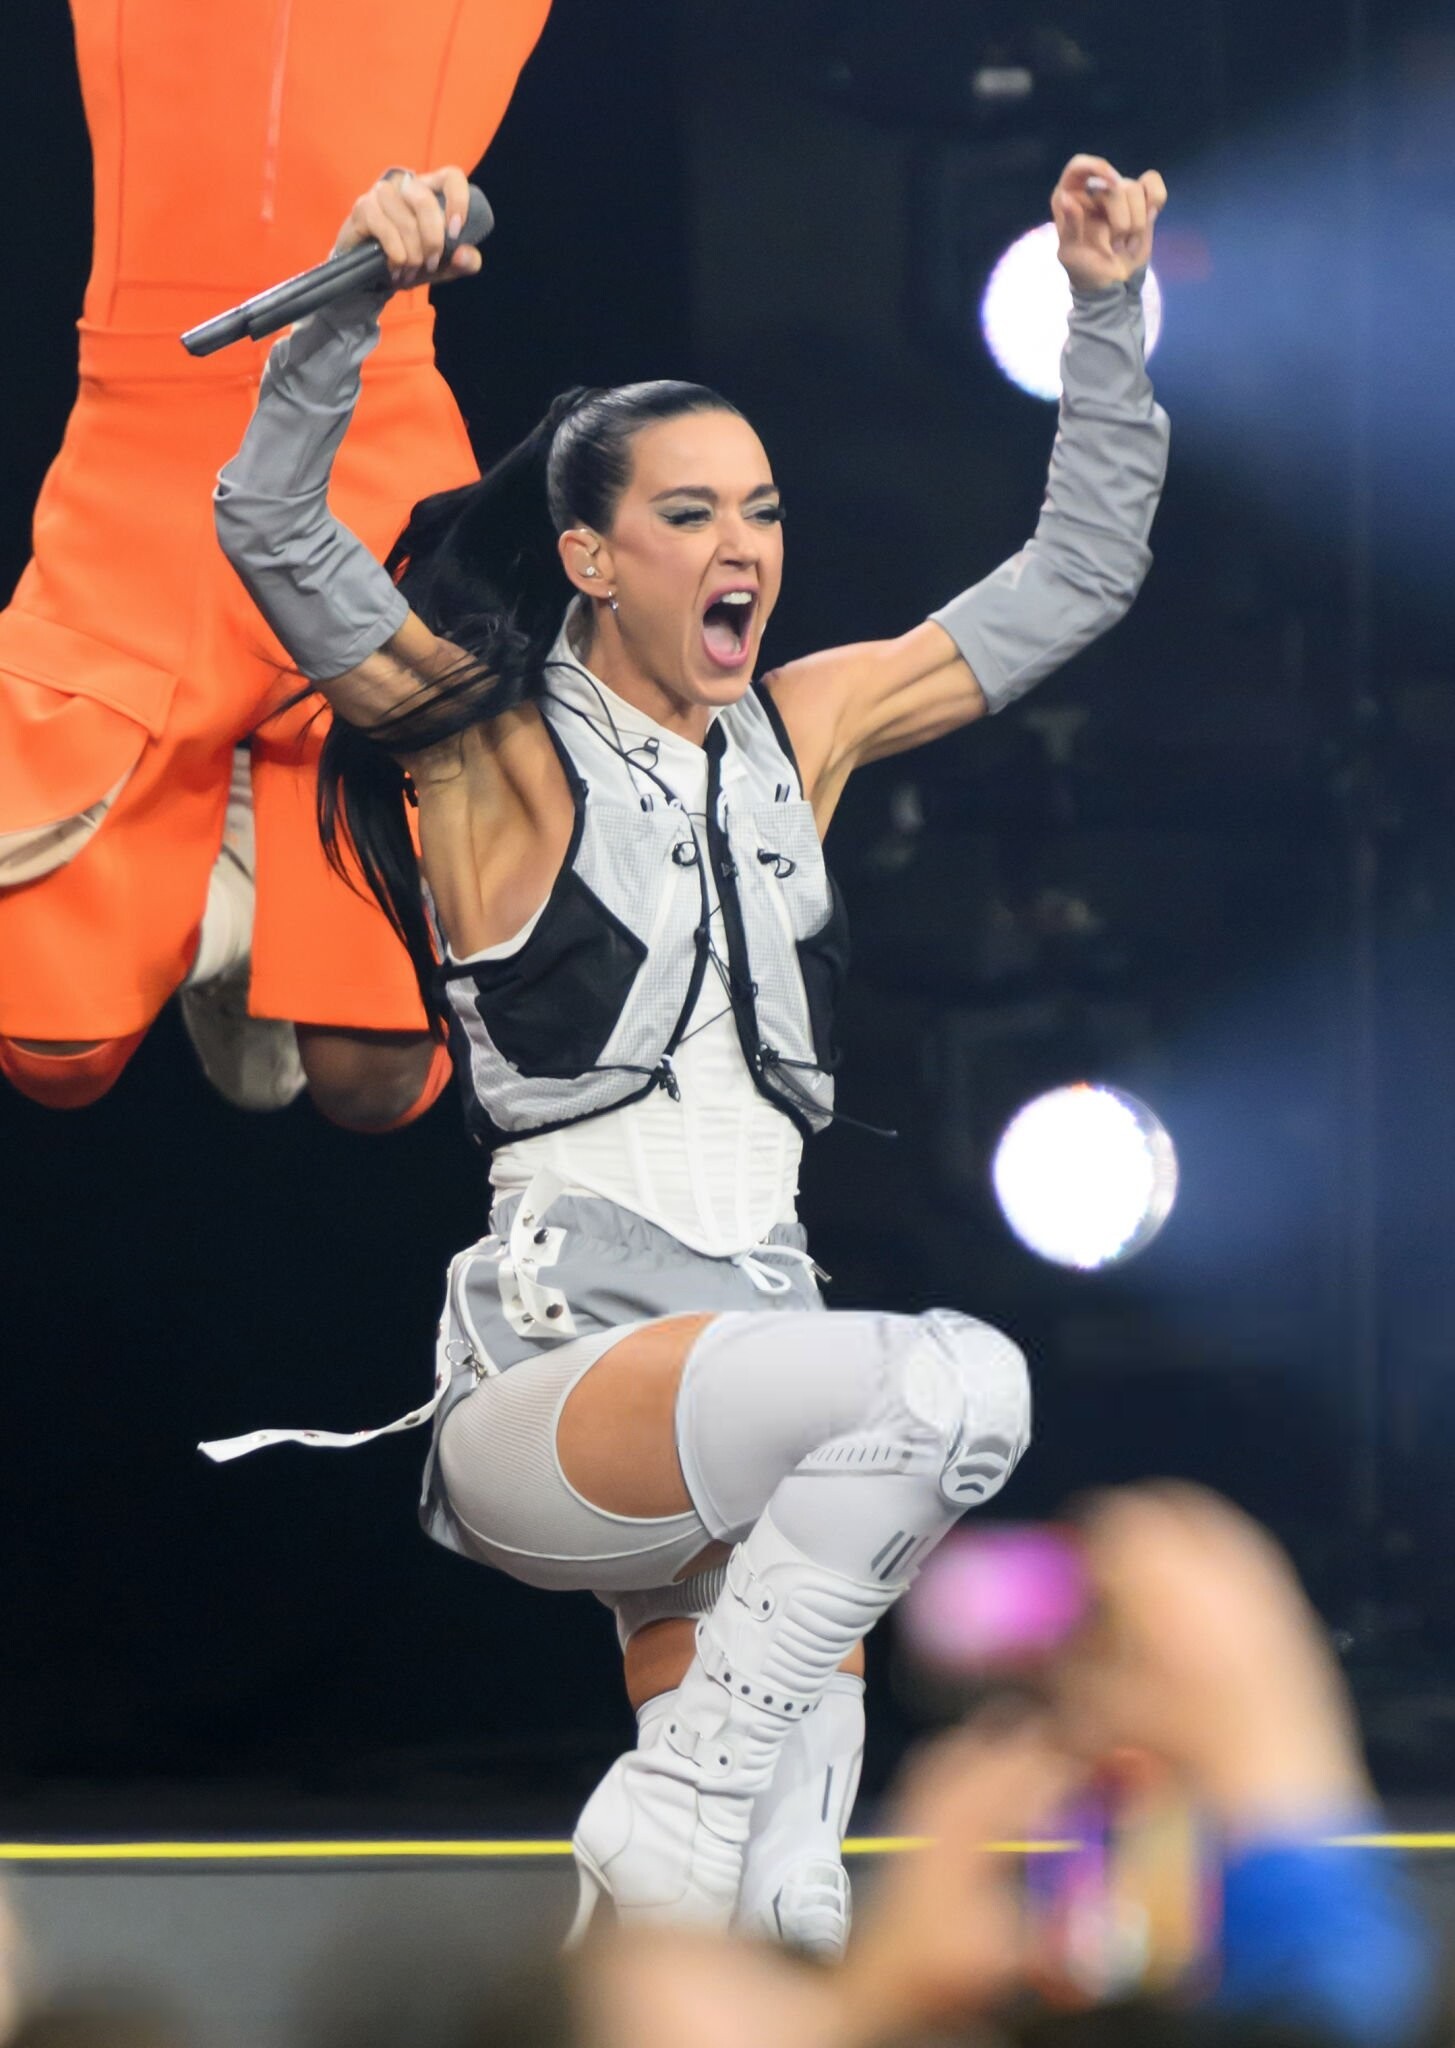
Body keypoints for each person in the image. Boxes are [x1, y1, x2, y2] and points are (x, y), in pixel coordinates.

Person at [204, 152, 1170, 1950]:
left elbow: (1082, 574)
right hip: (564, 1378)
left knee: (773, 1918)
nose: (747, 549)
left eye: (765, 512)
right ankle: (680, 1796)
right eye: (693, 514)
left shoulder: (806, 727)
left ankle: (683, 1848)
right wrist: (350, 299)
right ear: (590, 556)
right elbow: (270, 524)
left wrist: (1103, 313)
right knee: (958, 1388)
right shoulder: (488, 747)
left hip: (761, 1379)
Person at [0, 0, 549, 1123]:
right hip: (138, 446)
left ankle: (238, 871)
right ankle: (232, 900)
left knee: (372, 1080)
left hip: (371, 438)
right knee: (52, 1048)